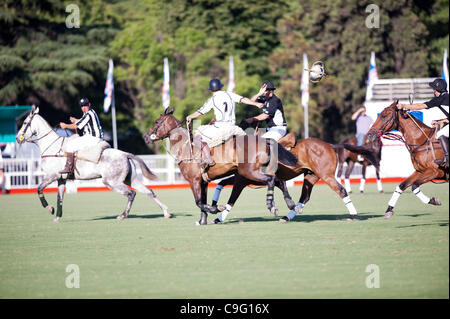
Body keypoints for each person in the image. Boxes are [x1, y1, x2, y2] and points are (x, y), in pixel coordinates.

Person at [186, 78, 263, 169]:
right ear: (220, 87)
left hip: (222, 129)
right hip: (234, 128)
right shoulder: (229, 94)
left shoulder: (213, 99)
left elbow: (201, 112)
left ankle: (208, 159)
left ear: (211, 90)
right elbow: (243, 99)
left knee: (197, 135)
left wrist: (190, 116)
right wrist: (256, 104)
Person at [398, 78, 449, 168]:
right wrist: (440, 121)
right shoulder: (446, 97)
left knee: (440, 134)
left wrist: (404, 106)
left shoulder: (440, 99)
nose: (433, 91)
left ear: (437, 90)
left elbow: (421, 105)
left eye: (434, 89)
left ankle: (447, 159)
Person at [59, 98, 104, 174]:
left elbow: (76, 126)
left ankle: (69, 168)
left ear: (89, 104)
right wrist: (76, 120)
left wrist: (65, 125)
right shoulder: (90, 112)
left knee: (70, 145)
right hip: (94, 137)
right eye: (82, 106)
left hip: (92, 138)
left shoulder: (89, 114)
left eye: (85, 106)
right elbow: (83, 120)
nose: (83, 108)